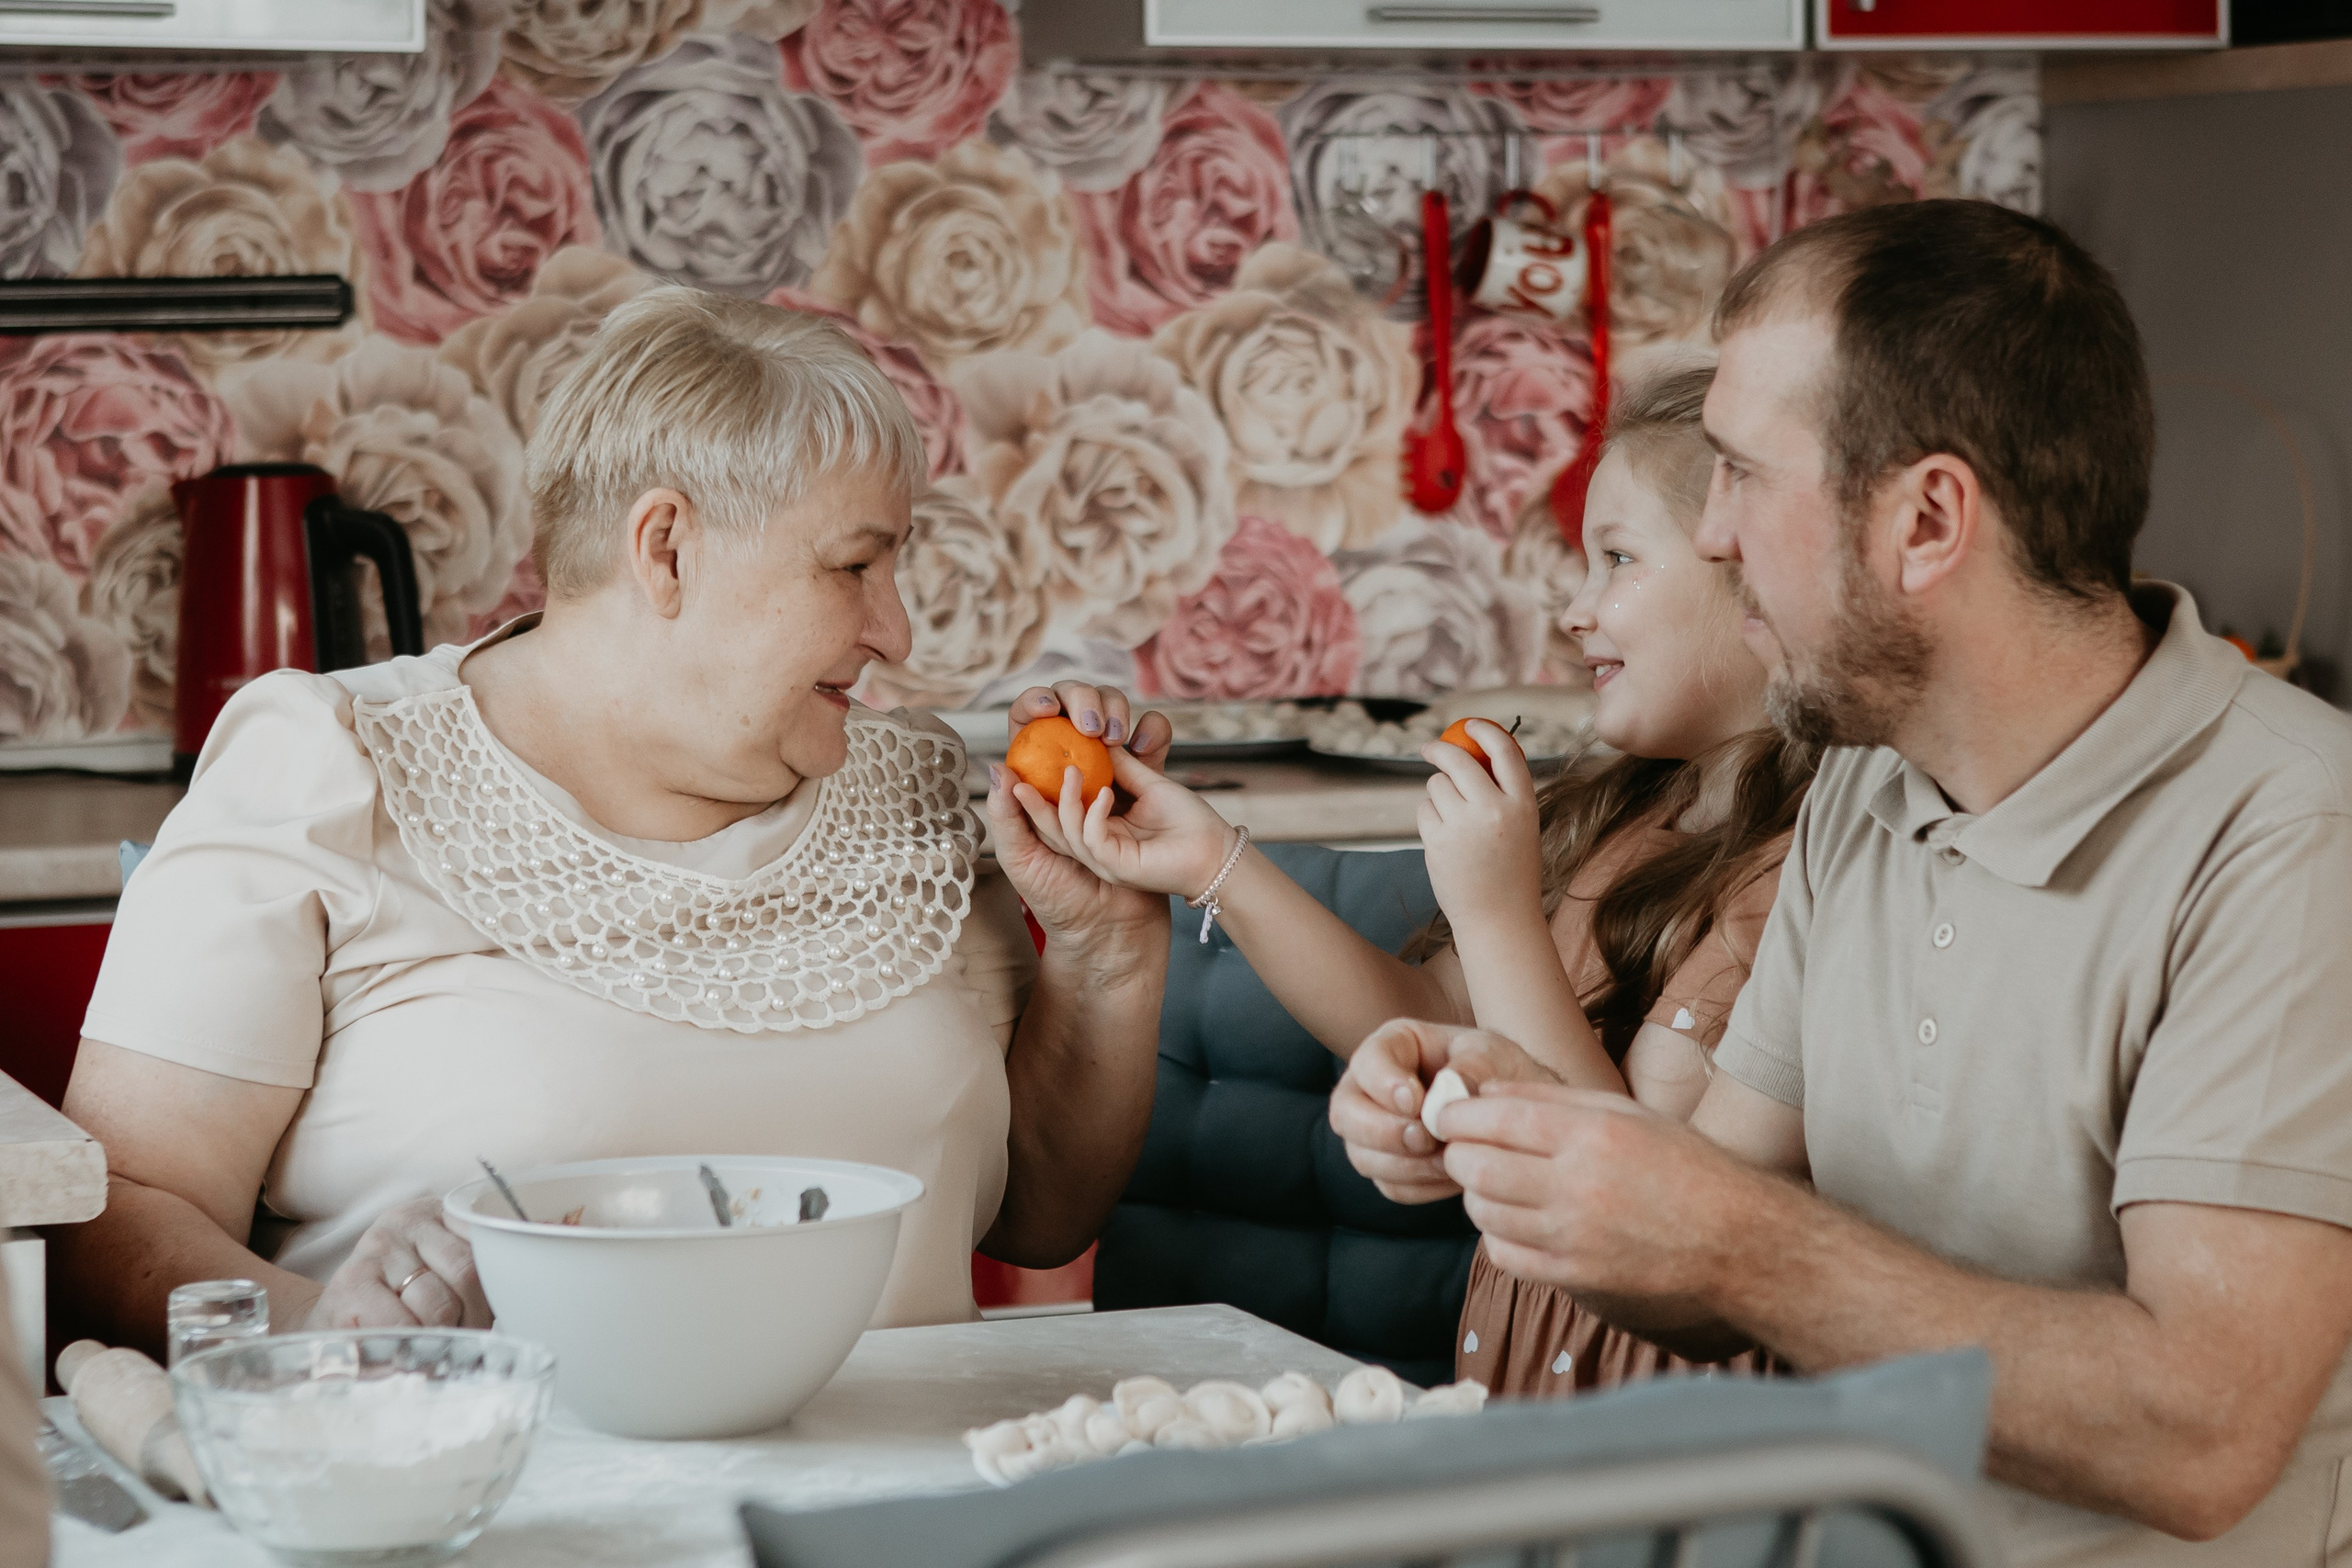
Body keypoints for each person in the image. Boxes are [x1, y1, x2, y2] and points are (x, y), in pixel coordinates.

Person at [1330, 200, 2352, 1564]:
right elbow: (1702, 1275)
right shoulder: (1864, 788)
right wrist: (1514, 1123)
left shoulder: (2295, 830)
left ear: (1926, 521)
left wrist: (1732, 1236)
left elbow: (2199, 1434)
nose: (1712, 536)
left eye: (1743, 474)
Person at [51, 288, 1177, 1353]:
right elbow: (113, 1214)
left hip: (904, 1483)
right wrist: (321, 1331)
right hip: (492, 1479)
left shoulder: (908, 792)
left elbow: (1038, 1216)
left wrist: (1106, 949)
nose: (895, 631)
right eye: (854, 565)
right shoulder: (330, 765)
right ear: (667, 548)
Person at [1027, 367, 1815, 1398]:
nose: (1574, 613)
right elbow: (1422, 1012)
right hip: (1526, 1377)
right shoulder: (1626, 816)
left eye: (1617, 559)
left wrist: (1495, 911)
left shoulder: (1807, 878)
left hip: (1669, 1408)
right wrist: (1209, 858)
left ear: (1753, 576)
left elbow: (1640, 1205)